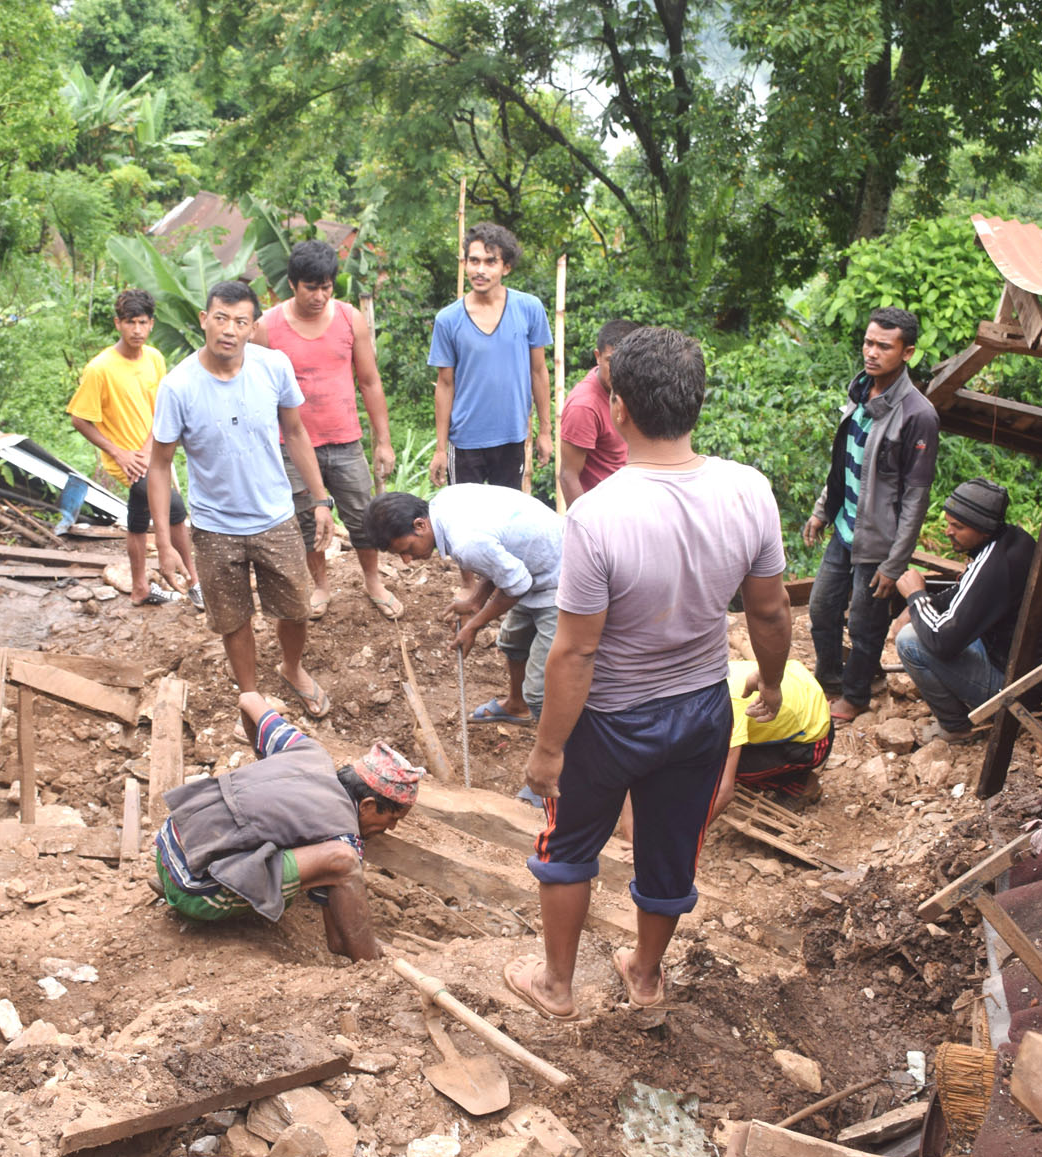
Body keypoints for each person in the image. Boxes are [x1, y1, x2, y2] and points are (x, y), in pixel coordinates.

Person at [506, 326, 793, 1021]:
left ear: (620, 409)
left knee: (569, 845)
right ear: (697, 404)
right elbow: (771, 608)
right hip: (701, 709)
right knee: (670, 848)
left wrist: (547, 750)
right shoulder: (749, 490)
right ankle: (645, 975)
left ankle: (556, 985)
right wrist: (775, 681)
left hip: (609, 721)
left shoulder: (597, 515)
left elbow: (576, 651)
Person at [145, 281, 338, 717]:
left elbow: (296, 431)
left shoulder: (273, 367)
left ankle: (292, 667)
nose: (228, 329)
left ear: (253, 328)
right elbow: (159, 465)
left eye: (240, 321)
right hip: (215, 528)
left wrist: (321, 500)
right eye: (220, 318)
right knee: (233, 619)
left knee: (295, 609)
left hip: (276, 517)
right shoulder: (178, 386)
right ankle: (251, 696)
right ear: (203, 320)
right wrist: (164, 543)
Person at [154, 690, 424, 961]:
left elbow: (248, 699)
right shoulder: (344, 836)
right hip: (196, 891)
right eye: (393, 819)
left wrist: (268, 761)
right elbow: (338, 941)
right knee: (344, 862)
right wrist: (373, 957)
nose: (392, 829)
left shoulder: (305, 750)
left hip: (169, 847)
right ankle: (372, 969)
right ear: (366, 805)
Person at [252, 240, 402, 619]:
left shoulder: (350, 318)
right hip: (292, 447)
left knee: (363, 517)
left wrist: (382, 441)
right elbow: (257, 394)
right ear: (292, 284)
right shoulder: (267, 327)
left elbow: (369, 381)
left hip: (345, 440)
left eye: (326, 287)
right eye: (311, 287)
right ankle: (321, 585)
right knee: (306, 522)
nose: (319, 296)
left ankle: (372, 580)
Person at [803, 306, 939, 725]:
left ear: (907, 352)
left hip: (878, 544)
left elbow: (916, 499)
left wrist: (895, 564)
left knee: (865, 624)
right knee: (822, 610)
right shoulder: (861, 390)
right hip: (845, 529)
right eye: (868, 342)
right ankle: (830, 680)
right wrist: (823, 509)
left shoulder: (918, 415)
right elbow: (847, 461)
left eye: (884, 346)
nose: (871, 352)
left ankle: (857, 694)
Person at [366, 485, 563, 726]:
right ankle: (516, 706)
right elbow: (500, 555)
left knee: (539, 693)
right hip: (534, 565)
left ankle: (558, 751)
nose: (407, 560)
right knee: (513, 643)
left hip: (563, 579)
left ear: (420, 525)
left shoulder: (465, 542)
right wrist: (475, 602)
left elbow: (517, 587)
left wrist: (474, 625)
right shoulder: (444, 502)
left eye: (407, 550)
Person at [892, 477, 1042, 746]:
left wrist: (916, 597)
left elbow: (942, 642)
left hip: (1013, 688)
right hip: (1028, 672)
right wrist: (925, 605)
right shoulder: (1012, 540)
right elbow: (966, 594)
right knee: (923, 623)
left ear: (984, 529)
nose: (948, 531)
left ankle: (957, 727)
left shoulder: (995, 567)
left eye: (958, 526)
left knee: (910, 641)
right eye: (949, 522)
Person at [67, 289, 201, 608]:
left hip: (151, 453)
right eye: (130, 323)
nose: (137, 330)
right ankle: (195, 582)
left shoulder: (154, 358)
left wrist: (148, 445)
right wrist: (119, 452)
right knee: (175, 509)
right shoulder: (100, 368)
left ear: (152, 324)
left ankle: (140, 587)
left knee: (139, 519)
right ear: (118, 324)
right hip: (126, 461)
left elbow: (162, 408)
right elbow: (80, 420)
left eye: (142, 322)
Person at [428, 222, 553, 491]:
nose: (480, 270)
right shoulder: (448, 320)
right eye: (474, 261)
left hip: (512, 438)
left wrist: (545, 431)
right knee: (464, 522)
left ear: (506, 267)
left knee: (506, 520)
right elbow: (445, 384)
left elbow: (539, 372)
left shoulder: (529, 309)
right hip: (464, 442)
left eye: (490, 262)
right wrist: (440, 449)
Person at [708, 659, 833, 821]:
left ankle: (802, 785)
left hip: (813, 739)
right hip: (803, 695)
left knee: (716, 769)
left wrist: (689, 841)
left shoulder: (728, 704)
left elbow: (725, 791)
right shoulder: (707, 678)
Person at [557, 319, 639, 506]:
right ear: (598, 356)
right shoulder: (584, 406)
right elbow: (568, 476)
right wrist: (584, 528)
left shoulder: (636, 387)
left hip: (633, 501)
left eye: (625, 362)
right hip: (604, 512)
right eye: (611, 361)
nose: (618, 370)